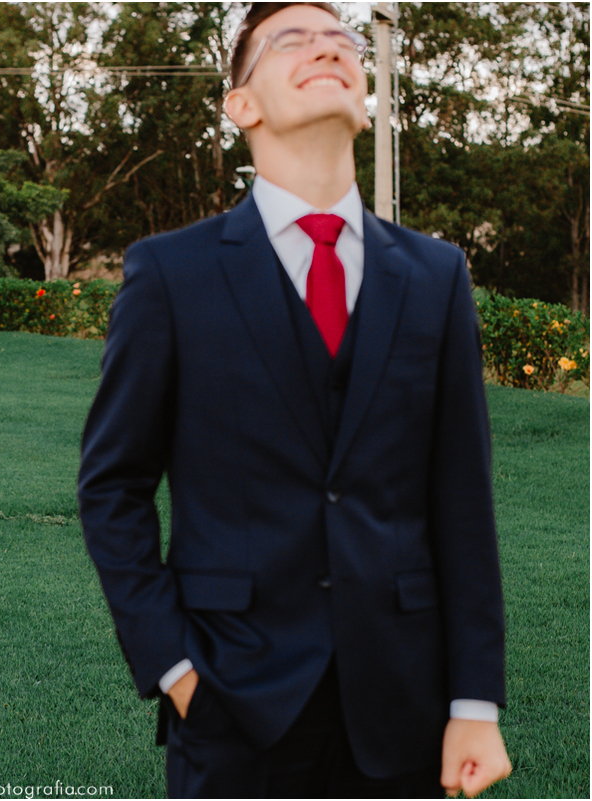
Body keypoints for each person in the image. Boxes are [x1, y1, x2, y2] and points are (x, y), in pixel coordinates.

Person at [77, 3, 511, 797]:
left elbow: (462, 498)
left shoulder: (437, 276)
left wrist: (474, 698)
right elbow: (112, 486)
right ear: (241, 104)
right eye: (293, 40)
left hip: (404, 707)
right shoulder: (170, 274)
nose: (329, 48)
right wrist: (175, 668)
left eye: (342, 41)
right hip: (230, 701)